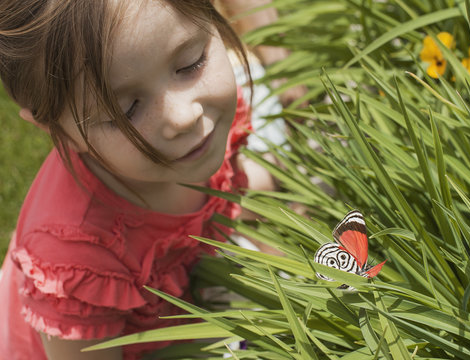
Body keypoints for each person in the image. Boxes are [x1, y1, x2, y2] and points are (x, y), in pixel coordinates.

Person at [0, 0, 272, 359]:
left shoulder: (205, 127)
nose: (183, 116)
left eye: (191, 63)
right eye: (126, 111)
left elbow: (242, 189)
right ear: (58, 132)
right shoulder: (79, 258)